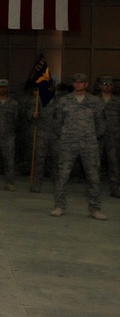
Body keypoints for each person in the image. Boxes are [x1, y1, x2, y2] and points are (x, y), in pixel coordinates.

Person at [49, 73, 107, 220]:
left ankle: (95, 208)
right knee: (62, 176)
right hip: (68, 144)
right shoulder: (64, 101)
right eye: (76, 82)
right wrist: (67, 136)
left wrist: (90, 136)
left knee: (93, 176)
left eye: (82, 82)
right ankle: (59, 206)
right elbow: (57, 123)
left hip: (89, 145)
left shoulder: (95, 101)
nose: (79, 84)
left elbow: (101, 125)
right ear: (73, 84)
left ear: (87, 84)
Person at [98, 76, 120, 198]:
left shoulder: (117, 101)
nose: (107, 86)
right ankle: (94, 189)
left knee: (114, 164)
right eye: (104, 84)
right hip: (98, 138)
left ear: (112, 86)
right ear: (100, 86)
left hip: (113, 137)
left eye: (109, 84)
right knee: (94, 164)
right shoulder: (94, 101)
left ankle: (115, 189)